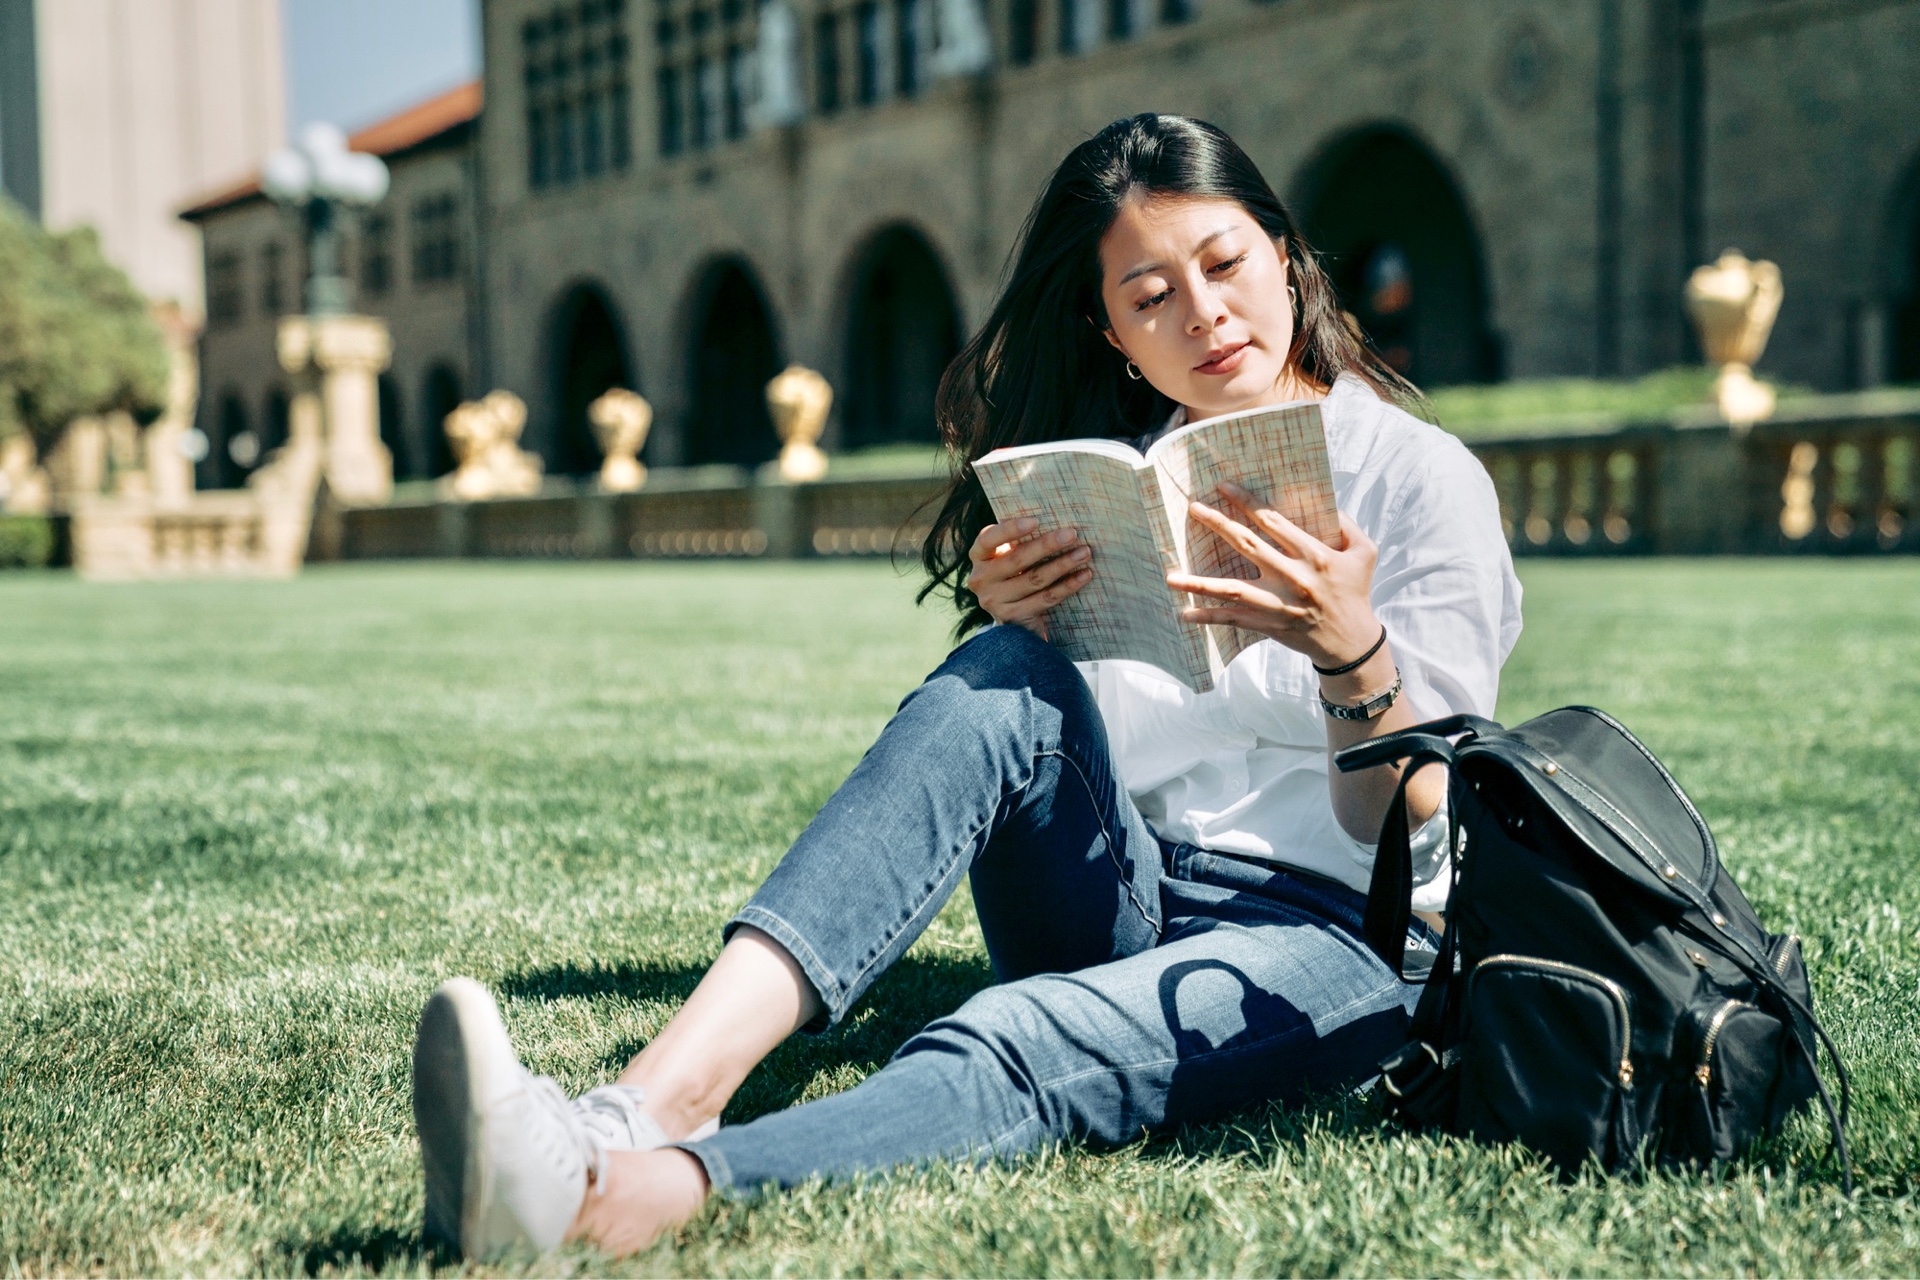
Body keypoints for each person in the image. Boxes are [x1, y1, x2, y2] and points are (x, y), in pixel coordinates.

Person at [409, 113, 1522, 1260]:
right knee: (998, 674)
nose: (1202, 314)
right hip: (1131, 894)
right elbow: (1067, 758)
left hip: (1331, 935)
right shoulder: (1116, 483)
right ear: (1112, 333)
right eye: (1149, 296)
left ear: (1284, 256)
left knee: (1025, 1029)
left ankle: (636, 1191)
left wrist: (1353, 655)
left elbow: (1420, 827)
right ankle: (649, 1099)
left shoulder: (1418, 479)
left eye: (1225, 264)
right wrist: (1028, 622)